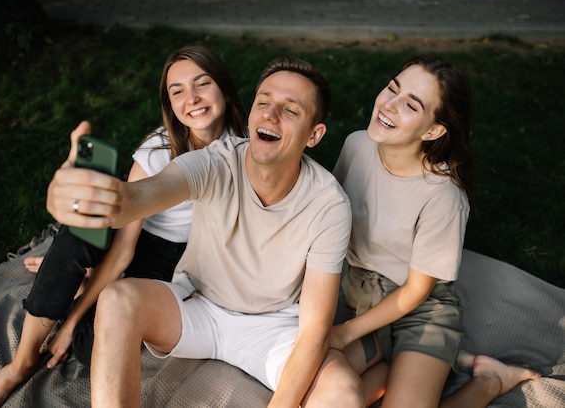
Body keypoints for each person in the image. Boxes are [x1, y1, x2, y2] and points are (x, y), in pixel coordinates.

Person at [45, 56, 372, 408]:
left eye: (290, 110)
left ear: (314, 135)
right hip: (197, 303)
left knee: (343, 393)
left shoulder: (329, 205)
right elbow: (136, 197)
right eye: (263, 101)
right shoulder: (216, 161)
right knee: (117, 299)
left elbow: (313, 331)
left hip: (273, 327)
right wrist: (90, 199)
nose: (270, 115)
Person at [0, 45, 248, 408]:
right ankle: (19, 364)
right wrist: (63, 324)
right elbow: (124, 250)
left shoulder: (247, 147)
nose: (191, 98)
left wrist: (75, 324)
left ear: (224, 87)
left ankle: (82, 279)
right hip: (135, 237)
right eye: (177, 91)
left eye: (202, 84)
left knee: (87, 345)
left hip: (177, 260)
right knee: (78, 234)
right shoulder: (156, 152)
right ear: (169, 103)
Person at [330, 55, 540, 407]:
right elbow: (329, 218)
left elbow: (416, 292)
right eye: (392, 89)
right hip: (360, 301)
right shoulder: (356, 145)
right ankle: (399, 365)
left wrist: (343, 334)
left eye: (410, 105)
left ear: (433, 130)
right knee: (321, 395)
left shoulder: (443, 195)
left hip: (421, 312)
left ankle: (490, 379)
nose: (389, 105)